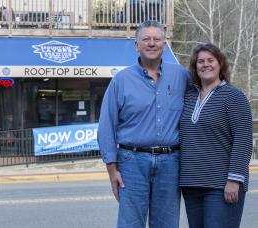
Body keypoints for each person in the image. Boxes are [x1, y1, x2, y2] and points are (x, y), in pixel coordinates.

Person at [97, 20, 189, 228]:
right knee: (130, 223)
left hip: (170, 163)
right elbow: (106, 127)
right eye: (146, 39)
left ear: (164, 45)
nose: (152, 43)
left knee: (166, 224)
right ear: (136, 45)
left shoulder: (182, 76)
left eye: (157, 39)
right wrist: (112, 169)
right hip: (131, 162)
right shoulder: (121, 80)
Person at [179, 43, 253, 228]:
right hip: (191, 185)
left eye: (210, 60)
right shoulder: (188, 96)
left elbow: (243, 140)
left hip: (221, 185)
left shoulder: (234, 97)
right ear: (195, 67)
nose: (205, 64)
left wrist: (234, 180)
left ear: (220, 64)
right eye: (200, 61)